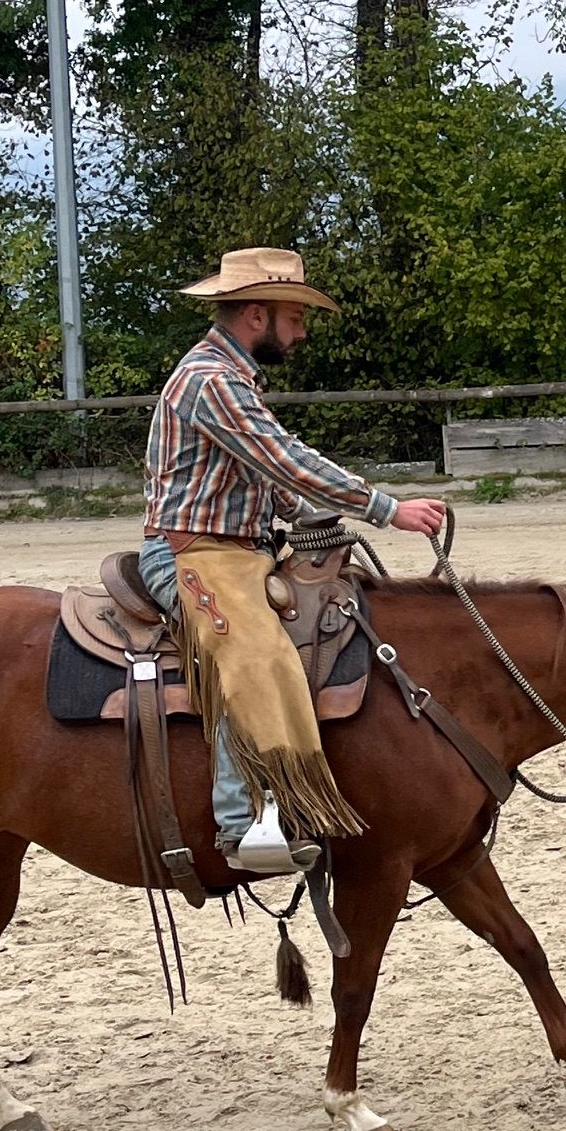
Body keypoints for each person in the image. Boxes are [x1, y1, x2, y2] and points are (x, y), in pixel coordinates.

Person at [139, 246, 446, 874]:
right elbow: (284, 457)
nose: (302, 331)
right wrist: (384, 508)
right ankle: (242, 822)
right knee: (251, 650)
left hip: (240, 551)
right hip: (191, 556)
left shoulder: (234, 377)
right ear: (257, 313)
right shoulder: (211, 381)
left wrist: (313, 520)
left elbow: (268, 478)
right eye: (295, 317)